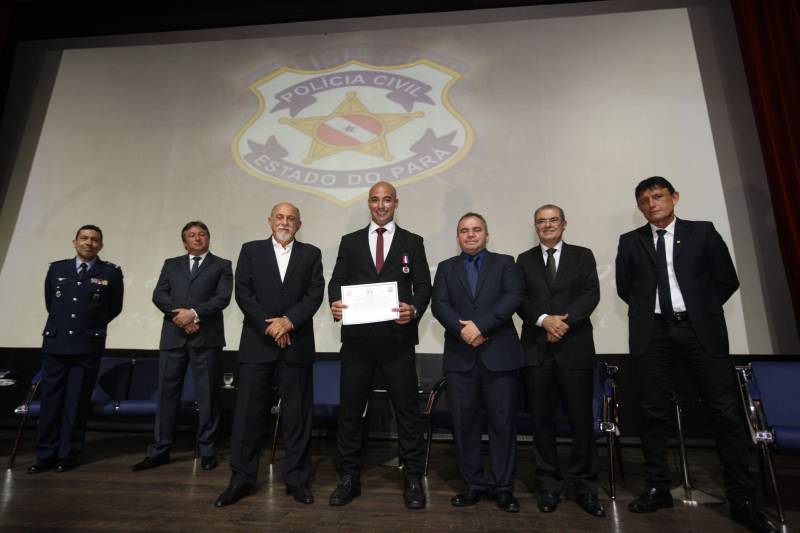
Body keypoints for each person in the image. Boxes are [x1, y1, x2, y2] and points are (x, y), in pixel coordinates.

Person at [616, 176, 776, 533]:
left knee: (725, 412)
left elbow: (726, 279)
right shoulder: (631, 241)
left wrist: (698, 310)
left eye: (657, 197)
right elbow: (626, 288)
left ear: (674, 197)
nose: (651, 204)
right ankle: (657, 485)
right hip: (652, 332)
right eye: (644, 201)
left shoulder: (703, 232)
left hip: (698, 330)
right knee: (652, 411)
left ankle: (742, 498)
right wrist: (655, 312)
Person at [328, 181, 431, 509]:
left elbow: (424, 284)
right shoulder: (350, 241)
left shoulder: (412, 242)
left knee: (407, 412)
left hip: (398, 342)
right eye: (375, 200)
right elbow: (336, 281)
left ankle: (413, 476)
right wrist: (334, 302)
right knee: (350, 411)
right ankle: (348, 476)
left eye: (387, 200)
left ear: (395, 203)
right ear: (369, 204)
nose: (381, 205)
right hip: (358, 343)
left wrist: (414, 307)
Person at [215, 202, 324, 507]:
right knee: (249, 415)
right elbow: (243, 293)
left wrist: (289, 321)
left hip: (297, 342)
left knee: (298, 416)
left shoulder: (311, 254)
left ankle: (298, 480)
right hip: (258, 344)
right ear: (269, 221)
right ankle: (241, 479)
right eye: (280, 217)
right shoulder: (250, 250)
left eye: (291, 218)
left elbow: (315, 294)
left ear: (299, 225)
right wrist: (273, 326)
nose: (285, 222)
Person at [431, 212, 524, 513]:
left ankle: (503, 486)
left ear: (487, 234)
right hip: (461, 358)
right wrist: (462, 331)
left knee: (502, 424)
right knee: (464, 424)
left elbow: (512, 298)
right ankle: (472, 483)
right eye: (464, 231)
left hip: (499, 356)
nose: (470, 235)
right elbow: (439, 304)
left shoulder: (505, 263)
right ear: (457, 236)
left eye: (476, 230)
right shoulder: (446, 268)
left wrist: (479, 327)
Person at [516, 204, 604, 517]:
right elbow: (520, 300)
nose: (548, 225)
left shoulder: (583, 255)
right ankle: (548, 486)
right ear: (535, 226)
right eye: (541, 221)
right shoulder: (523, 260)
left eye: (553, 220)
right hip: (537, 351)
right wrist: (544, 321)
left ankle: (584, 486)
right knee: (542, 423)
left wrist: (562, 323)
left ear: (564, 224)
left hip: (575, 348)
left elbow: (592, 294)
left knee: (581, 422)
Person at [131, 221, 232, 472]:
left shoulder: (222, 265)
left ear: (208, 238)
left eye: (202, 234)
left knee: (208, 396)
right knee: (167, 396)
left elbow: (222, 298)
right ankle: (159, 450)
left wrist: (194, 314)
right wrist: (182, 317)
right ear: (184, 241)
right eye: (192, 235)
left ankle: (207, 450)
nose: (197, 238)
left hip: (206, 339)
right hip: (173, 339)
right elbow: (159, 294)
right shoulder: (171, 264)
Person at [27, 225, 123, 474]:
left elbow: (113, 309)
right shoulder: (57, 269)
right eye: (84, 238)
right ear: (74, 242)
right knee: (51, 401)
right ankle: (45, 454)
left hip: (86, 346)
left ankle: (67, 454)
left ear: (100, 245)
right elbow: (51, 303)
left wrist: (87, 327)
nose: (89, 243)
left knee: (76, 402)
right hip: (56, 344)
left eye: (94, 240)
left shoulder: (110, 273)